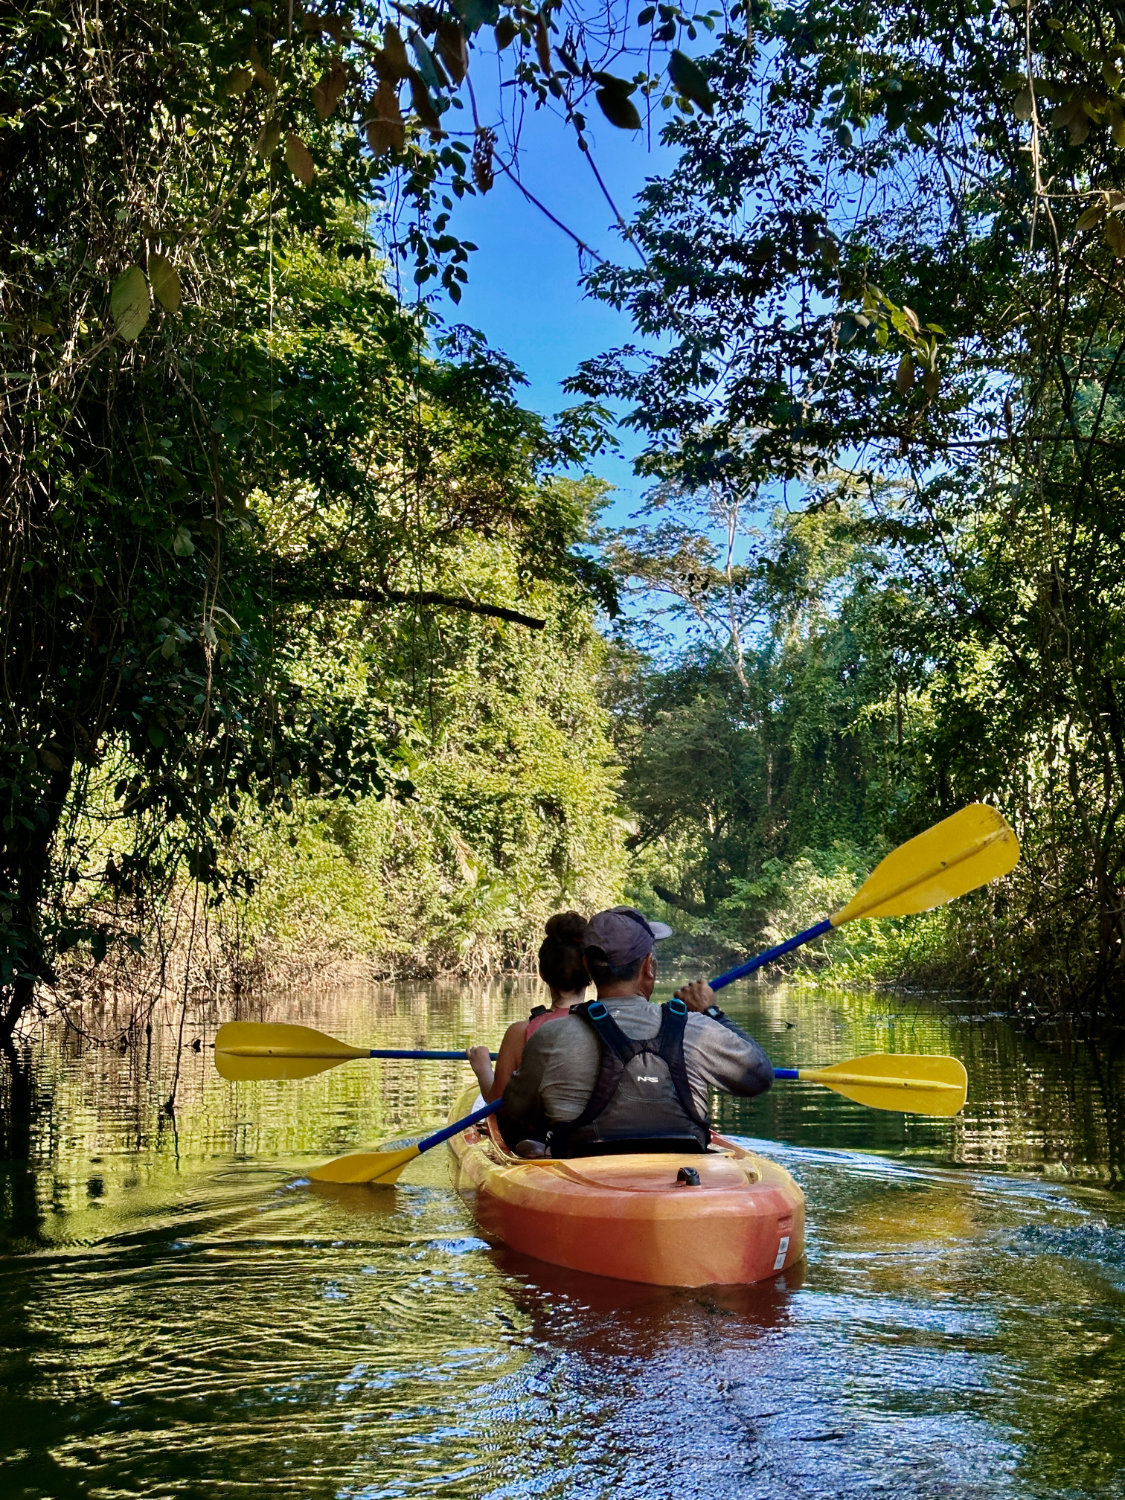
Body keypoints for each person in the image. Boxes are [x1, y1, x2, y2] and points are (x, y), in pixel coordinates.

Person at [499, 905, 774, 1157]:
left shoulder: (550, 1036)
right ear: (648, 966)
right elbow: (759, 1076)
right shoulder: (695, 1027)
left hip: (584, 1176)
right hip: (684, 1178)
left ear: (587, 966)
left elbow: (516, 1111)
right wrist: (711, 1012)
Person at [466, 911, 588, 1104]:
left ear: (541, 972)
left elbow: (497, 1101)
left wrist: (483, 1068)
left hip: (537, 1133)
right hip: (593, 1131)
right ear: (590, 973)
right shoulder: (607, 1026)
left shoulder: (519, 1033)